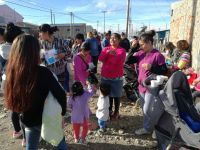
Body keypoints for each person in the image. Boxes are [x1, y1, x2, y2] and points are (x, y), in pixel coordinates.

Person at [4, 34, 67, 150]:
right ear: (34, 52)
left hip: (27, 119)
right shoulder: (43, 72)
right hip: (46, 119)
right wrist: (62, 113)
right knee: (59, 142)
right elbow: (61, 94)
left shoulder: (11, 72)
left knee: (31, 145)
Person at [126, 30, 168, 135]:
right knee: (144, 109)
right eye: (140, 45)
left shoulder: (157, 55)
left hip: (152, 86)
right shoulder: (141, 53)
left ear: (149, 42)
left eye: (142, 44)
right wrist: (134, 47)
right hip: (141, 86)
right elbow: (128, 60)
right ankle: (149, 127)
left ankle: (150, 128)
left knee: (148, 109)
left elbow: (164, 70)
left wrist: (152, 67)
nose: (141, 47)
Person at [0, 23, 24, 143]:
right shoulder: (18, 47)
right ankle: (25, 136)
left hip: (7, 82)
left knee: (14, 108)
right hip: (18, 81)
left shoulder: (2, 47)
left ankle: (17, 131)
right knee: (23, 108)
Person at [99, 33, 126, 120]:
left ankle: (116, 111)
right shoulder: (106, 49)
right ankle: (109, 110)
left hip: (116, 77)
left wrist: (109, 56)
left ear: (119, 40)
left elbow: (117, 61)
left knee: (117, 95)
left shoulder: (122, 50)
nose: (112, 40)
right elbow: (100, 59)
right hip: (105, 76)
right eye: (111, 38)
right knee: (108, 95)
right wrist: (107, 53)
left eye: (115, 38)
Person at [39, 24, 70, 93]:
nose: (39, 35)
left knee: (60, 90)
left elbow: (70, 54)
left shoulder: (61, 41)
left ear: (46, 32)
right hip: (49, 72)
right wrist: (41, 57)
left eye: (40, 32)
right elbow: (41, 58)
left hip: (61, 72)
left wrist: (64, 54)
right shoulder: (42, 44)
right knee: (51, 92)